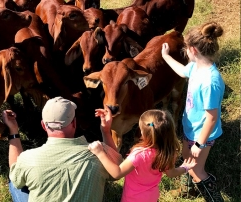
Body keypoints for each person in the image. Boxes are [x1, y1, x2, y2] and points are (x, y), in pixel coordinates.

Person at [2, 96, 122, 202]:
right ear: (74, 123)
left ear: (43, 125)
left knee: (15, 179)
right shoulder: (99, 153)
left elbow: (15, 176)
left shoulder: (28, 159)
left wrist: (13, 131)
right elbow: (117, 167)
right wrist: (106, 132)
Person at [161, 21, 225, 201]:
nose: (185, 51)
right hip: (190, 126)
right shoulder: (197, 67)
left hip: (202, 134)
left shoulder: (210, 82)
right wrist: (166, 56)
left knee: (197, 170)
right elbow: (182, 71)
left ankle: (214, 198)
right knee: (186, 159)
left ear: (193, 51)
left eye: (186, 48)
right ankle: (188, 190)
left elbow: (212, 118)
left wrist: (199, 144)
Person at [88, 109, 197, 202]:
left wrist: (99, 152)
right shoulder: (168, 152)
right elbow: (171, 173)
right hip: (152, 197)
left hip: (132, 199)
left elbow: (117, 173)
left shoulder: (139, 155)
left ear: (143, 132)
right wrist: (184, 168)